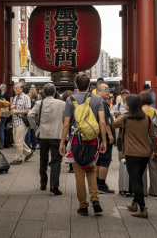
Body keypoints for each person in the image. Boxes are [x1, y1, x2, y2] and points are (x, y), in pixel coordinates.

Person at [60, 73, 107, 217]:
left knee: (79, 175)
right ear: (89, 86)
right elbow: (102, 122)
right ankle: (95, 199)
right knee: (91, 171)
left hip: (76, 140)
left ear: (75, 85)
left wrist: (62, 142)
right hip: (93, 140)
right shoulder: (97, 98)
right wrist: (104, 140)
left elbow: (67, 123)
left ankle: (83, 206)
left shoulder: (70, 100)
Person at [113, 94, 157, 217]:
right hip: (145, 153)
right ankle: (134, 203)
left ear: (130, 105)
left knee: (135, 181)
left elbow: (114, 124)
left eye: (126, 103)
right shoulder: (146, 118)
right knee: (138, 179)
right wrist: (156, 150)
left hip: (131, 154)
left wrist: (118, 115)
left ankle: (143, 209)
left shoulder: (125, 118)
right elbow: (153, 136)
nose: (124, 104)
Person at [28, 83, 65, 195]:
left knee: (43, 159)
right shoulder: (62, 103)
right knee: (56, 160)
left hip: (43, 135)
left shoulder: (39, 103)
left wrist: (35, 126)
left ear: (43, 93)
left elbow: (30, 115)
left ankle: (43, 183)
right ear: (55, 93)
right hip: (56, 134)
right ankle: (54, 185)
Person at [95, 82, 115, 194]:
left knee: (99, 159)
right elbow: (105, 121)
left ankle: (98, 183)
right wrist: (109, 135)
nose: (108, 91)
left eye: (108, 88)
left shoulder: (97, 102)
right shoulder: (102, 103)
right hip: (104, 136)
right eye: (105, 89)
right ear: (98, 91)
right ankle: (102, 184)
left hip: (98, 135)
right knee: (105, 159)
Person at [140, 91, 157, 197]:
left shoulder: (138, 111)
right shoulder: (155, 111)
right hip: (153, 142)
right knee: (154, 167)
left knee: (142, 167)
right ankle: (154, 191)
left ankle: (142, 191)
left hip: (141, 142)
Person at [10, 83, 36, 164]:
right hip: (15, 121)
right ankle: (29, 152)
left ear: (21, 89)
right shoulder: (15, 97)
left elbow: (28, 110)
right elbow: (13, 106)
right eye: (14, 88)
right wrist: (12, 108)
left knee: (18, 141)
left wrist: (16, 111)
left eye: (16, 88)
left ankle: (18, 159)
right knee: (17, 140)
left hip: (22, 121)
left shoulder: (26, 97)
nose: (14, 89)